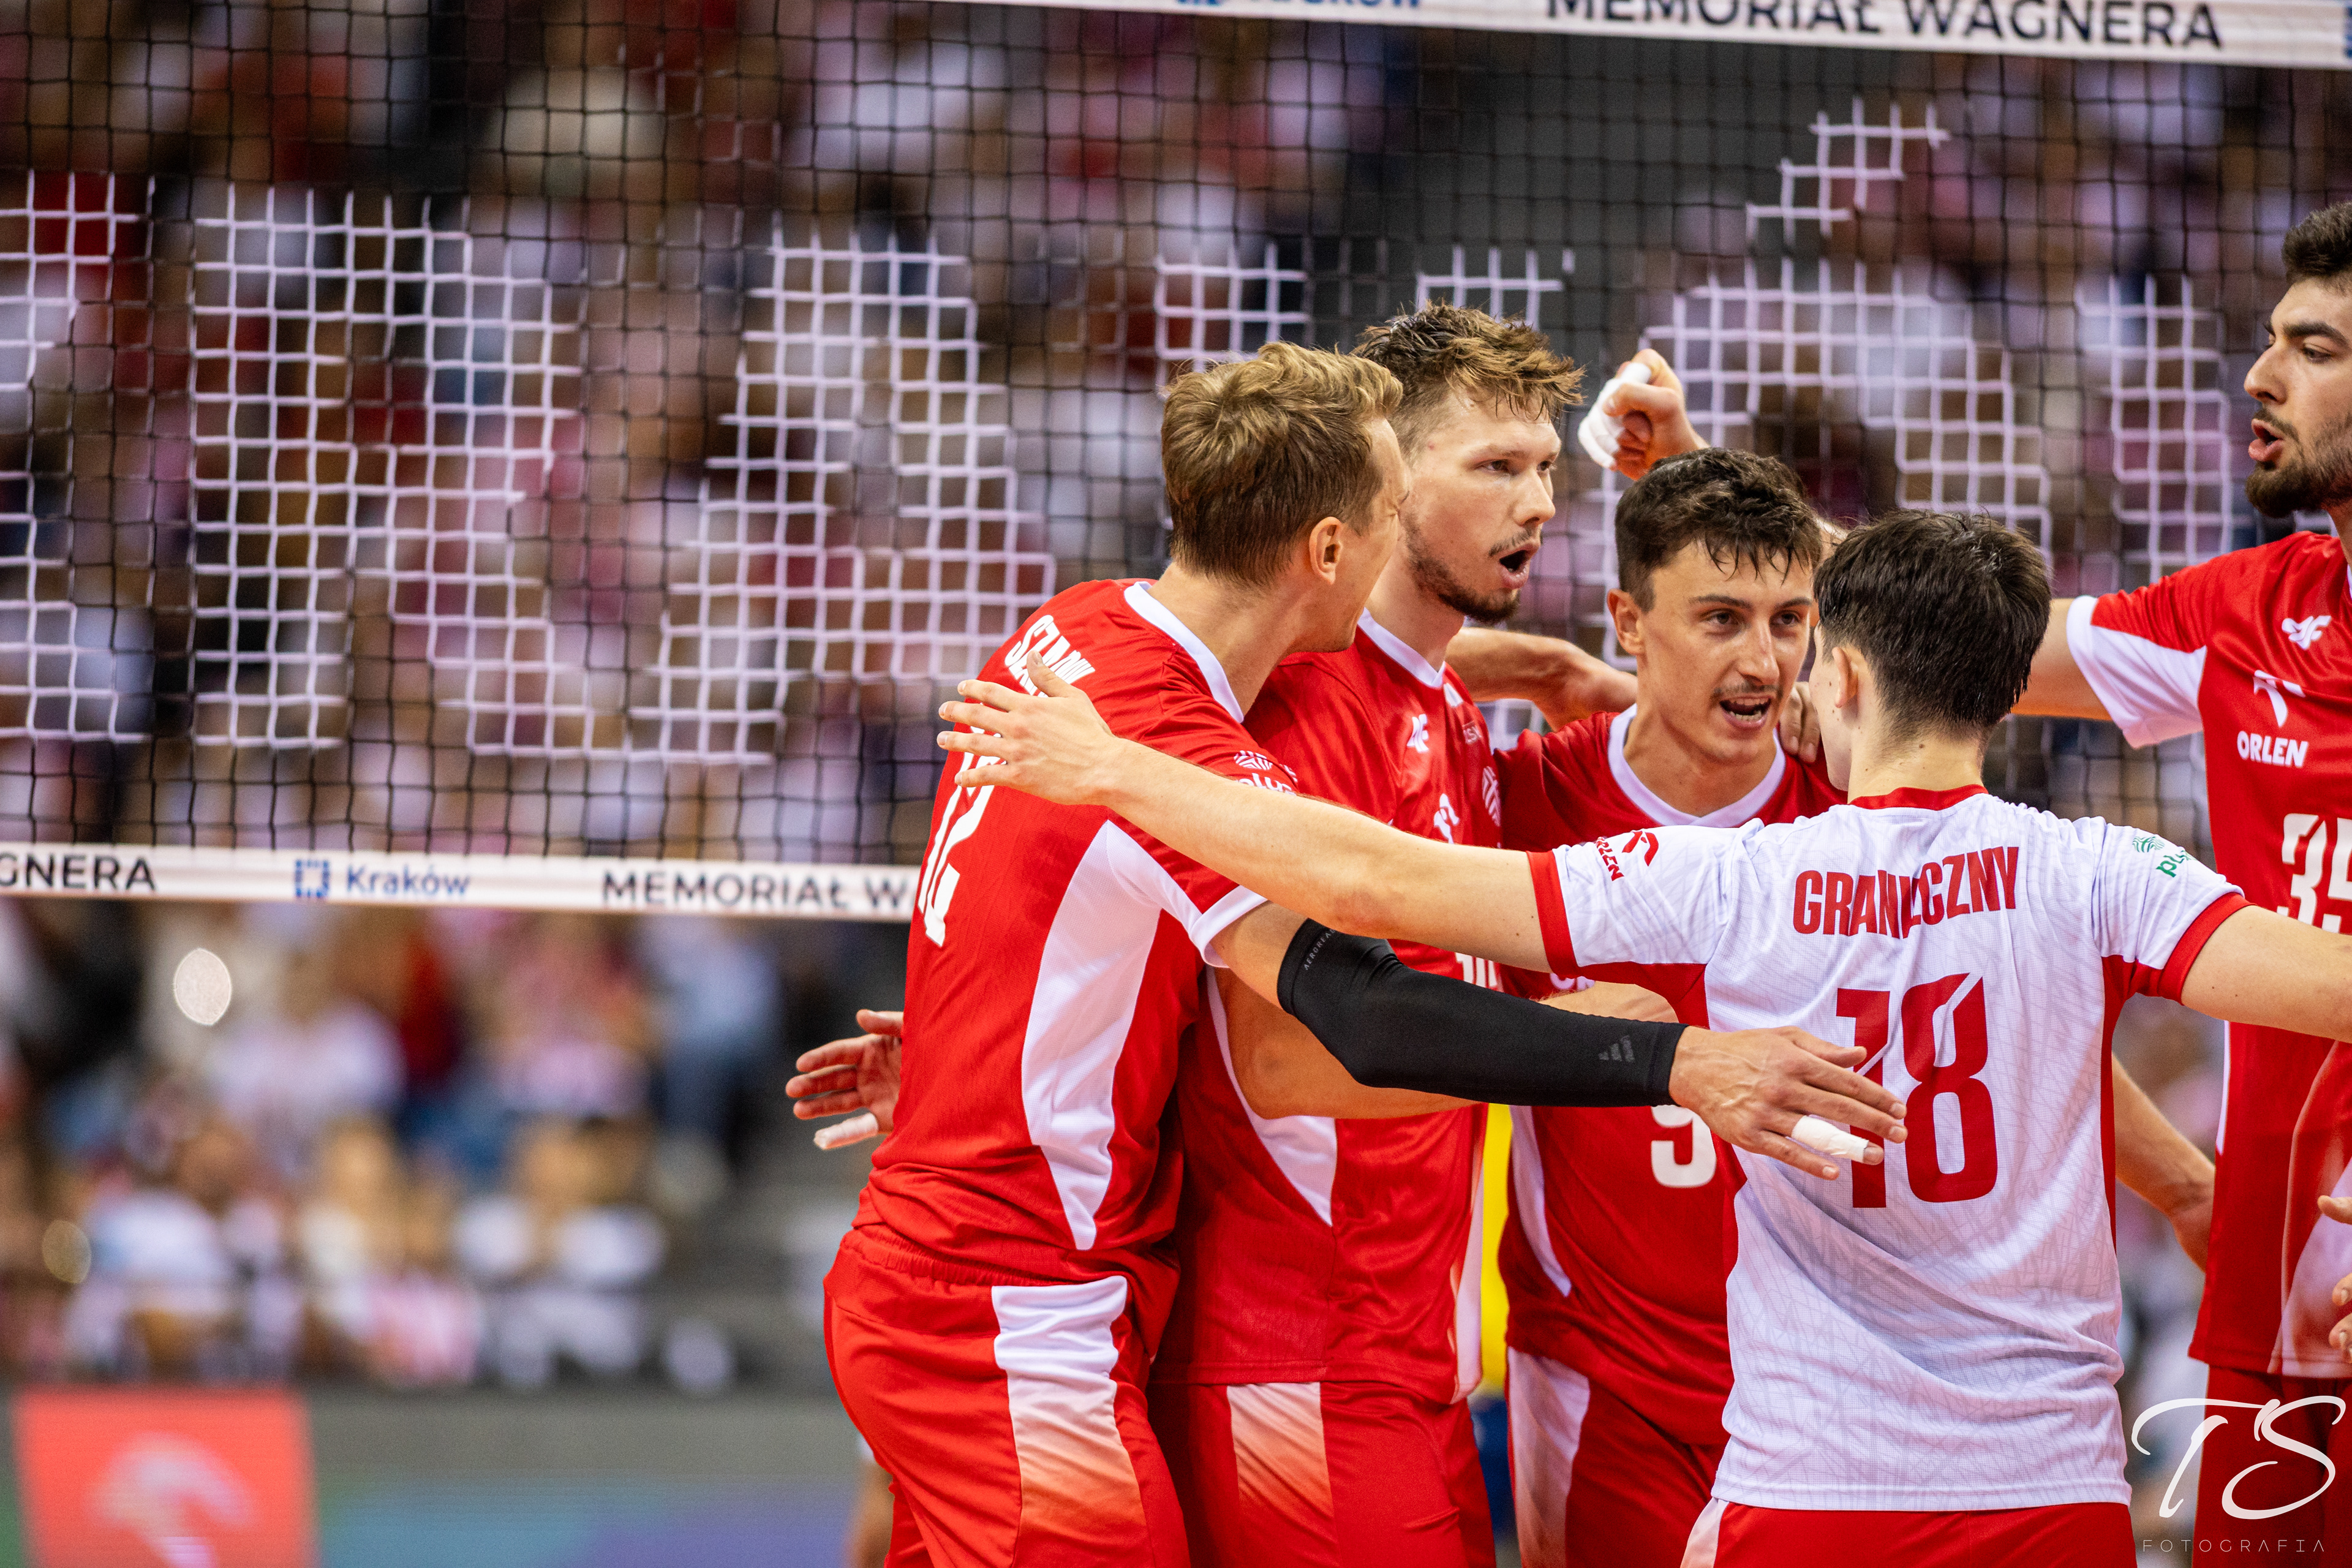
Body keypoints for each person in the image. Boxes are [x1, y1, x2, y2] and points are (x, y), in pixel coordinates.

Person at [938, 509, 2352, 1563]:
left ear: (1839, 676)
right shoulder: (2103, 872)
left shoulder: (1737, 878)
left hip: (1812, 1487)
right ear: (1997, 694)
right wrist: (2196, 1186)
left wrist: (1116, 766)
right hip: (2049, 1490)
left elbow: (1372, 882)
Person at [818, 339, 1901, 1566]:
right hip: (1248, 1346)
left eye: (1545, 467)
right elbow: (1314, 1029)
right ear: (1342, 536)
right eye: (1490, 468)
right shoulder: (1240, 729)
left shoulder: (1246, 663)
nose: (1539, 504)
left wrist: (978, 1050)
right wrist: (1653, 1055)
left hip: (1354, 1345)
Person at [1484, 444, 2215, 1567]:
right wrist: (1518, 662)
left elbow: (2012, 1024)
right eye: (1720, 620)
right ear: (1629, 623)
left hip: (1838, 1388)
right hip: (1609, 1377)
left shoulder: (1855, 802)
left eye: (1790, 622)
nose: (1763, 660)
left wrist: (2183, 1186)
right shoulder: (1524, 797)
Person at [2007, 200, 2352, 1545]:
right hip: (2277, 1288)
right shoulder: (2249, 612)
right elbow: (1945, 638)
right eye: (2272, 340)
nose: (2260, 376)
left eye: (2314, 349)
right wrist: (1717, 510)